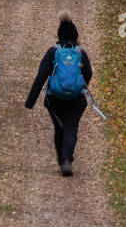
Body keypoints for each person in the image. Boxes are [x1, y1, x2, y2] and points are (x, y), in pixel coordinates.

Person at [25, 12, 92, 177]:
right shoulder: (80, 53)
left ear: (59, 34)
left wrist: (30, 101)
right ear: (75, 35)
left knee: (59, 128)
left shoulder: (53, 52)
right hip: (76, 99)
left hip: (55, 99)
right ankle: (67, 159)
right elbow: (88, 73)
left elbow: (41, 76)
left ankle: (62, 161)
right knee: (71, 128)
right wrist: (79, 87)